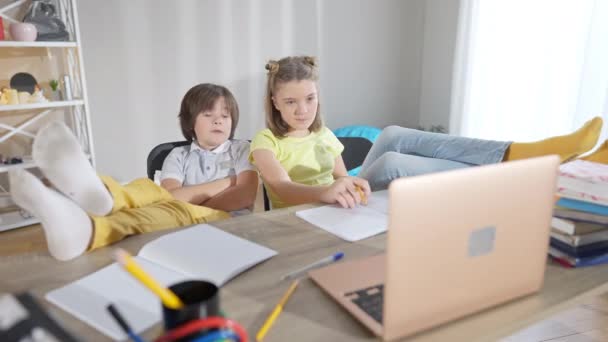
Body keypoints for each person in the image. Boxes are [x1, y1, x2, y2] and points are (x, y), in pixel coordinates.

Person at [249, 55, 603, 208]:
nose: (303, 110)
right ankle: (513, 170)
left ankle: (520, 152)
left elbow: (342, 176)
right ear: (275, 102)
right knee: (389, 163)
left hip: (341, 201)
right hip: (311, 209)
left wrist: (345, 185)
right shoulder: (266, 141)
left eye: (309, 98)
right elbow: (281, 188)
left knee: (391, 135)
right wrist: (328, 191)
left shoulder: (322, 133)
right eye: (292, 102)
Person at [9, 83, 257, 261]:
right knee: (147, 202)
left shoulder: (241, 149)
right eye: (209, 114)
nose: (219, 121)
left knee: (162, 207)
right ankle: (89, 219)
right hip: (179, 217)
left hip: (228, 223)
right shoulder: (178, 156)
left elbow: (244, 196)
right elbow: (169, 196)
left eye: (225, 116)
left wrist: (194, 200)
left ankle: (103, 198)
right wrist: (227, 182)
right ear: (190, 123)